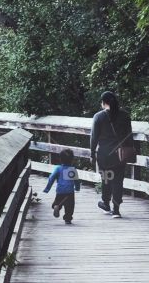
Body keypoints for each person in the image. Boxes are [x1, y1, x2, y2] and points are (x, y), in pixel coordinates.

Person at [90, 90, 134, 218]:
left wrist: (92, 153)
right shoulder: (125, 116)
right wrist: (129, 151)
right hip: (120, 154)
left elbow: (94, 137)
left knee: (106, 180)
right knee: (118, 181)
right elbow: (129, 136)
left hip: (104, 154)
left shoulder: (98, 116)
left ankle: (106, 203)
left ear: (104, 103)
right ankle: (116, 210)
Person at [42, 148, 81, 224]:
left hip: (60, 190)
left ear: (60, 159)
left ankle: (56, 206)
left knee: (58, 201)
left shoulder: (58, 169)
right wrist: (77, 188)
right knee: (70, 206)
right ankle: (68, 218)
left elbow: (51, 178)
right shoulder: (72, 169)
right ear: (72, 159)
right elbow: (77, 180)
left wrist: (47, 189)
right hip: (70, 191)